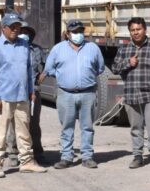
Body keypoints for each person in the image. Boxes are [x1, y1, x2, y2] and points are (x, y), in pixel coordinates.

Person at [0, 13, 47, 178]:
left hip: (22, 97)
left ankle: (27, 162)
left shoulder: (24, 46)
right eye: (12, 26)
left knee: (23, 132)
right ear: (3, 28)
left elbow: (28, 71)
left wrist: (31, 91)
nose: (15, 29)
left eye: (17, 26)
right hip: (3, 98)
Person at [41, 19, 105, 169]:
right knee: (67, 127)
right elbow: (49, 69)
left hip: (88, 93)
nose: (78, 34)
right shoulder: (57, 49)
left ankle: (87, 157)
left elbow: (99, 68)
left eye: (81, 31)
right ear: (67, 34)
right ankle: (66, 157)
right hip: (65, 94)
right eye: (75, 32)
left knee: (87, 127)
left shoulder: (93, 48)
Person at [112, 17, 150, 169]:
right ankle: (137, 156)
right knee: (136, 128)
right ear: (129, 32)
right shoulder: (124, 49)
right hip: (131, 94)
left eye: (138, 29)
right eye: (133, 30)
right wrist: (128, 63)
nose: (136, 33)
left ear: (145, 30)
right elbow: (115, 68)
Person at [6, 22, 46, 165]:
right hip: (15, 92)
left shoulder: (37, 50)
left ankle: (37, 152)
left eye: (27, 32)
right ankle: (13, 153)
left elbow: (46, 65)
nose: (24, 34)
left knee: (34, 124)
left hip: (33, 92)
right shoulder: (9, 48)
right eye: (21, 31)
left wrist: (44, 73)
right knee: (14, 123)